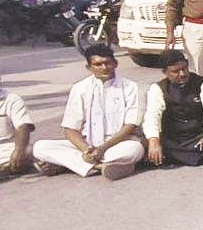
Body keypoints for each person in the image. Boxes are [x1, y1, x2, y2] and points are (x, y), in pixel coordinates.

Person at [32, 44, 144, 180]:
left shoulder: (130, 87)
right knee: (40, 147)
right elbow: (70, 129)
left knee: (134, 149)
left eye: (107, 63)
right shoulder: (80, 88)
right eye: (98, 64)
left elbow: (131, 125)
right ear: (89, 68)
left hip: (116, 144)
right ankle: (101, 167)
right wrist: (86, 150)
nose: (104, 68)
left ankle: (68, 165)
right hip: (86, 146)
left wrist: (102, 149)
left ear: (115, 63)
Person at [143, 51, 203, 167]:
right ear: (165, 72)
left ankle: (179, 157)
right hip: (175, 139)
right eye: (176, 71)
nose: (183, 74)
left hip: (200, 136)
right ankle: (200, 157)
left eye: (184, 68)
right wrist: (154, 140)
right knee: (146, 144)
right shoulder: (158, 88)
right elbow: (153, 115)